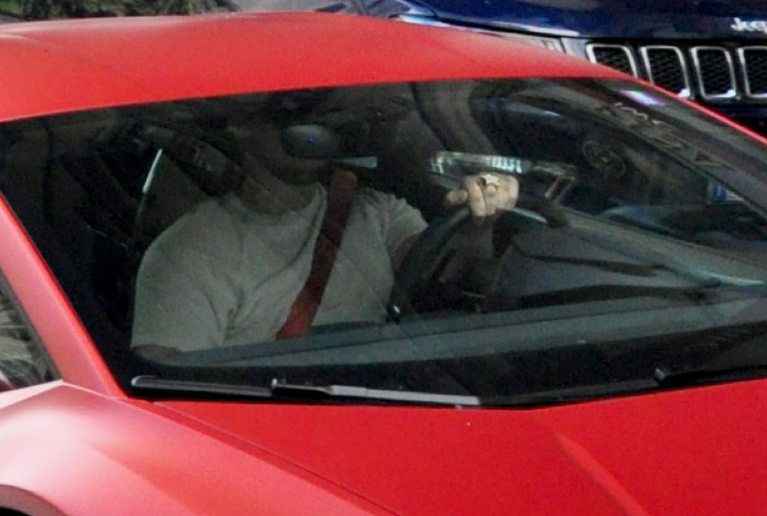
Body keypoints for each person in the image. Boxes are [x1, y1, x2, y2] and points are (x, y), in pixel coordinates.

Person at [132, 116, 518, 353]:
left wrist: (479, 221)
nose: (309, 126)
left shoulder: (376, 211)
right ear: (242, 127)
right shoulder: (188, 253)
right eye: (286, 113)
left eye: (319, 114)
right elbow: (169, 399)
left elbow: (445, 277)